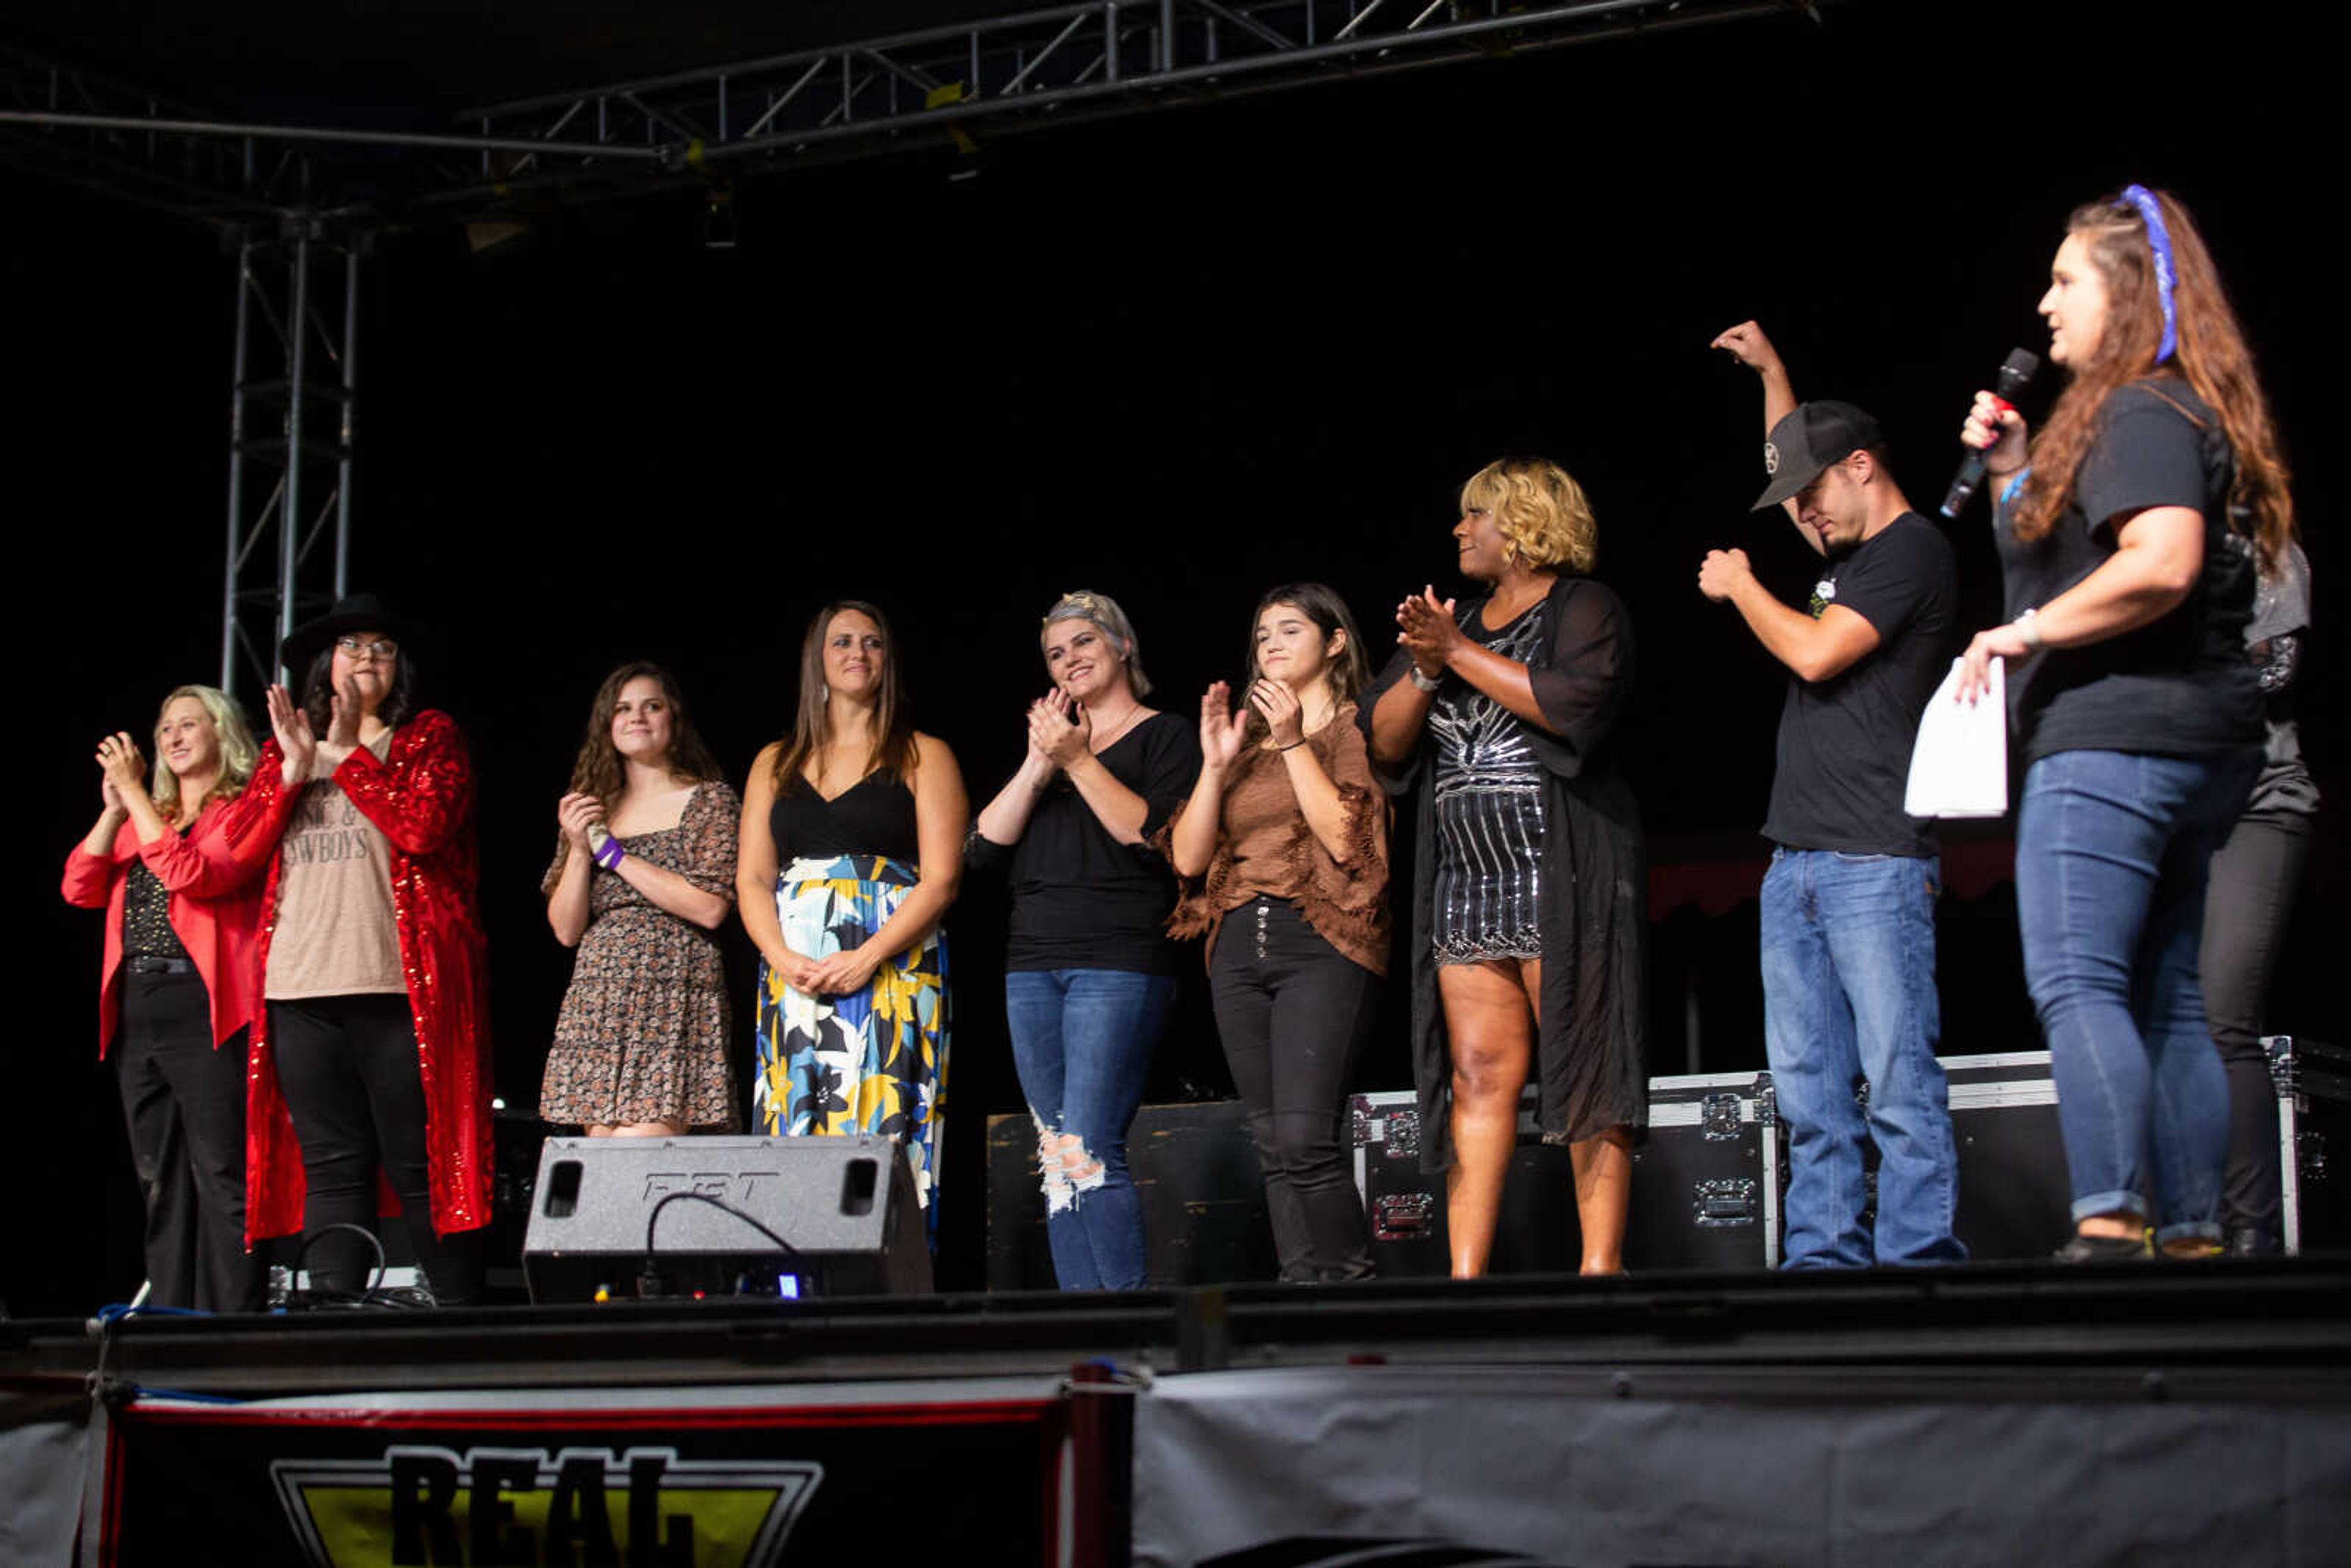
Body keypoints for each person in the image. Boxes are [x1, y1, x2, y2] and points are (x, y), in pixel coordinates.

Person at [1955, 186, 2282, 1260]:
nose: (2045, 305)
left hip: (2112, 741)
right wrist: (2010, 478)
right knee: (2170, 998)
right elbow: (2071, 555)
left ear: (2126, 290)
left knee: (2080, 983)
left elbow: (2162, 563)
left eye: (2064, 281)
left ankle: (2110, 1221)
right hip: (2193, 748)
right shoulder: (2176, 407)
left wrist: (2025, 633)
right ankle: (2190, 1237)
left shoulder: (2140, 408)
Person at [1698, 321, 1967, 1269]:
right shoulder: (1841, 548)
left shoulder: (1910, 551)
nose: (1803, 516)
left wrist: (1739, 587)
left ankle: (1920, 1262)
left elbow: (1815, 653)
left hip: (1875, 856)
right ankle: (1822, 1263)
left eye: (1815, 496)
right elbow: (1790, 468)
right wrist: (1774, 372)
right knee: (1809, 1089)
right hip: (1796, 861)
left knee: (1896, 1081)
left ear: (1862, 466)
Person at [1367, 459, 1646, 1278]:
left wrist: (1454, 649)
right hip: (1466, 881)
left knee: (1584, 1059)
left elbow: (1572, 705)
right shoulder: (1450, 627)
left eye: (1475, 515)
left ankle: (1601, 1268)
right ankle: (1465, 1279)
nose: (1459, 529)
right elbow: (1385, 743)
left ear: (1523, 524)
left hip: (1559, 870)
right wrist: (1425, 664)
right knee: (1478, 1072)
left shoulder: (1584, 607)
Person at [238, 594, 495, 1305]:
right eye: (354, 646)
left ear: (399, 669)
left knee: (420, 1162)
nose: (368, 658)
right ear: (326, 664)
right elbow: (238, 854)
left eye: (383, 648)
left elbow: (422, 827)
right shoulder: (282, 752)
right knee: (332, 1166)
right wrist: (289, 778)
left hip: (395, 985)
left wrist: (350, 755)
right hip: (299, 985)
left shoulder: (427, 739)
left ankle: (462, 1322)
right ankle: (331, 1325)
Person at [970, 590, 1201, 1291]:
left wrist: (1075, 759)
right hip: (1032, 962)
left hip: (1118, 959)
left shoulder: (1167, 735)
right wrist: (1041, 763)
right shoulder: (1054, 751)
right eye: (1055, 652)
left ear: (1122, 645)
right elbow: (982, 849)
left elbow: (1152, 838)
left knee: (1090, 1145)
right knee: (1056, 1151)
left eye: (1083, 642)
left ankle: (1126, 1321)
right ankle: (1078, 1325)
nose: (1069, 658)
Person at [1164, 584, 1389, 1284]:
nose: (1271, 645)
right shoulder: (1245, 747)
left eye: (1290, 630)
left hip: (1318, 942)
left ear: (1335, 642)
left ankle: (1351, 1291)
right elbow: (1190, 859)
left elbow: (1349, 842)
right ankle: (1302, 1296)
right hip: (1236, 945)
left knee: (1305, 1137)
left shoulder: (1359, 727)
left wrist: (1294, 740)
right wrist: (1214, 763)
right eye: (1262, 634)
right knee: (1272, 1143)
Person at [739, 602, 965, 1212]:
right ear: (818, 659)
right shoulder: (774, 760)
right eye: (842, 642)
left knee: (884, 1126)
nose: (857, 653)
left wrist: (867, 955)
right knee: (798, 1128)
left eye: (872, 643)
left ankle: (890, 1288)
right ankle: (796, 1287)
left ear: (888, 662)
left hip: (893, 964)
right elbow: (754, 879)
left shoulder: (923, 754)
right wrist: (782, 957)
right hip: (798, 975)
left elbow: (941, 880)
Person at [61, 686, 268, 1312]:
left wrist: (136, 804)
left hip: (200, 1002)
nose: (174, 737)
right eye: (166, 729)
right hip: (138, 1003)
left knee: (221, 1171)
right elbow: (78, 886)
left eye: (189, 725)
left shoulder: (239, 809)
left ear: (222, 733)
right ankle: (172, 1322)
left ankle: (235, 1323)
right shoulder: (149, 813)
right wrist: (115, 811)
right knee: (161, 1180)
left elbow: (192, 874)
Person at [542, 661, 741, 1136]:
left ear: (673, 719)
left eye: (651, 706)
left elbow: (710, 907)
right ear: (607, 726)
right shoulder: (593, 808)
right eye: (623, 709)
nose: (637, 717)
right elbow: (566, 930)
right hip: (601, 992)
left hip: (671, 986)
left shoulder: (708, 800)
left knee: (639, 1155)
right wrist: (577, 847)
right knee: (603, 1165)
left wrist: (615, 856)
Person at [2201, 538, 2317, 1255]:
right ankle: (2177, 1223)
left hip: (2254, 804)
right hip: (2160, 817)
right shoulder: (2127, 539)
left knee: (2221, 1019)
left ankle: (2249, 1235)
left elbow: (2274, 664)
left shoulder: (2259, 542)